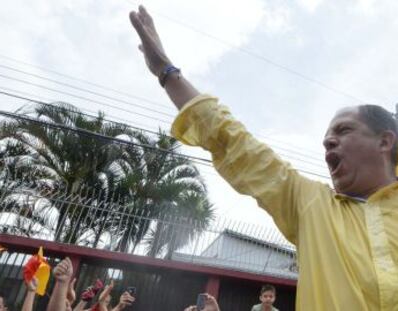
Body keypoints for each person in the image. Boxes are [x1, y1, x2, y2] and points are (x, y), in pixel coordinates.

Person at [129, 5, 398, 310]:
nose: (327, 141)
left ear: (384, 141)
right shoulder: (310, 203)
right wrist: (167, 74)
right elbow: (235, 143)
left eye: (344, 130)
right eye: (325, 137)